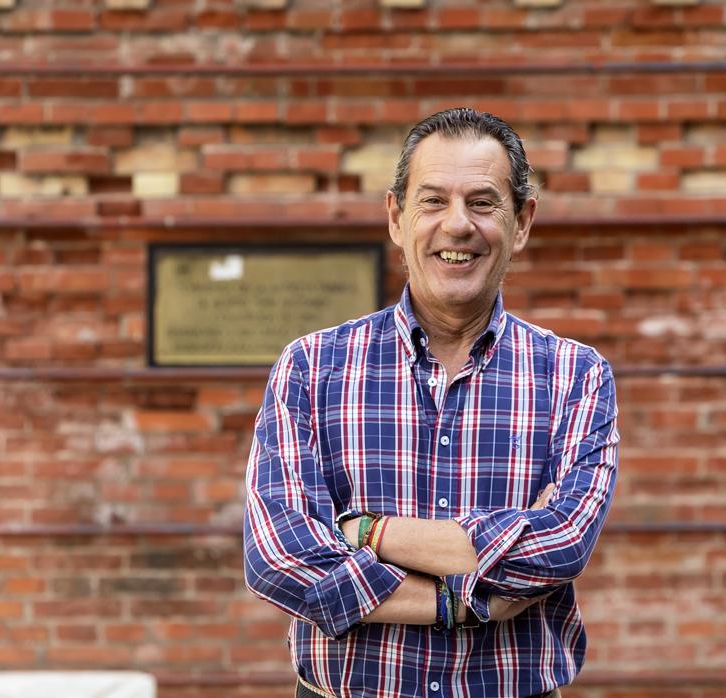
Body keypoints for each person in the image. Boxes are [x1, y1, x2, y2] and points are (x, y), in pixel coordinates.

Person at [243, 107, 619, 698]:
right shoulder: (312, 369)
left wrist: (364, 531)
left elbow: (560, 547)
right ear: (397, 217)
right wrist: (461, 601)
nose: (458, 225)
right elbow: (280, 560)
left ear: (522, 222)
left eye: (483, 202)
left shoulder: (576, 377)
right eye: (433, 201)